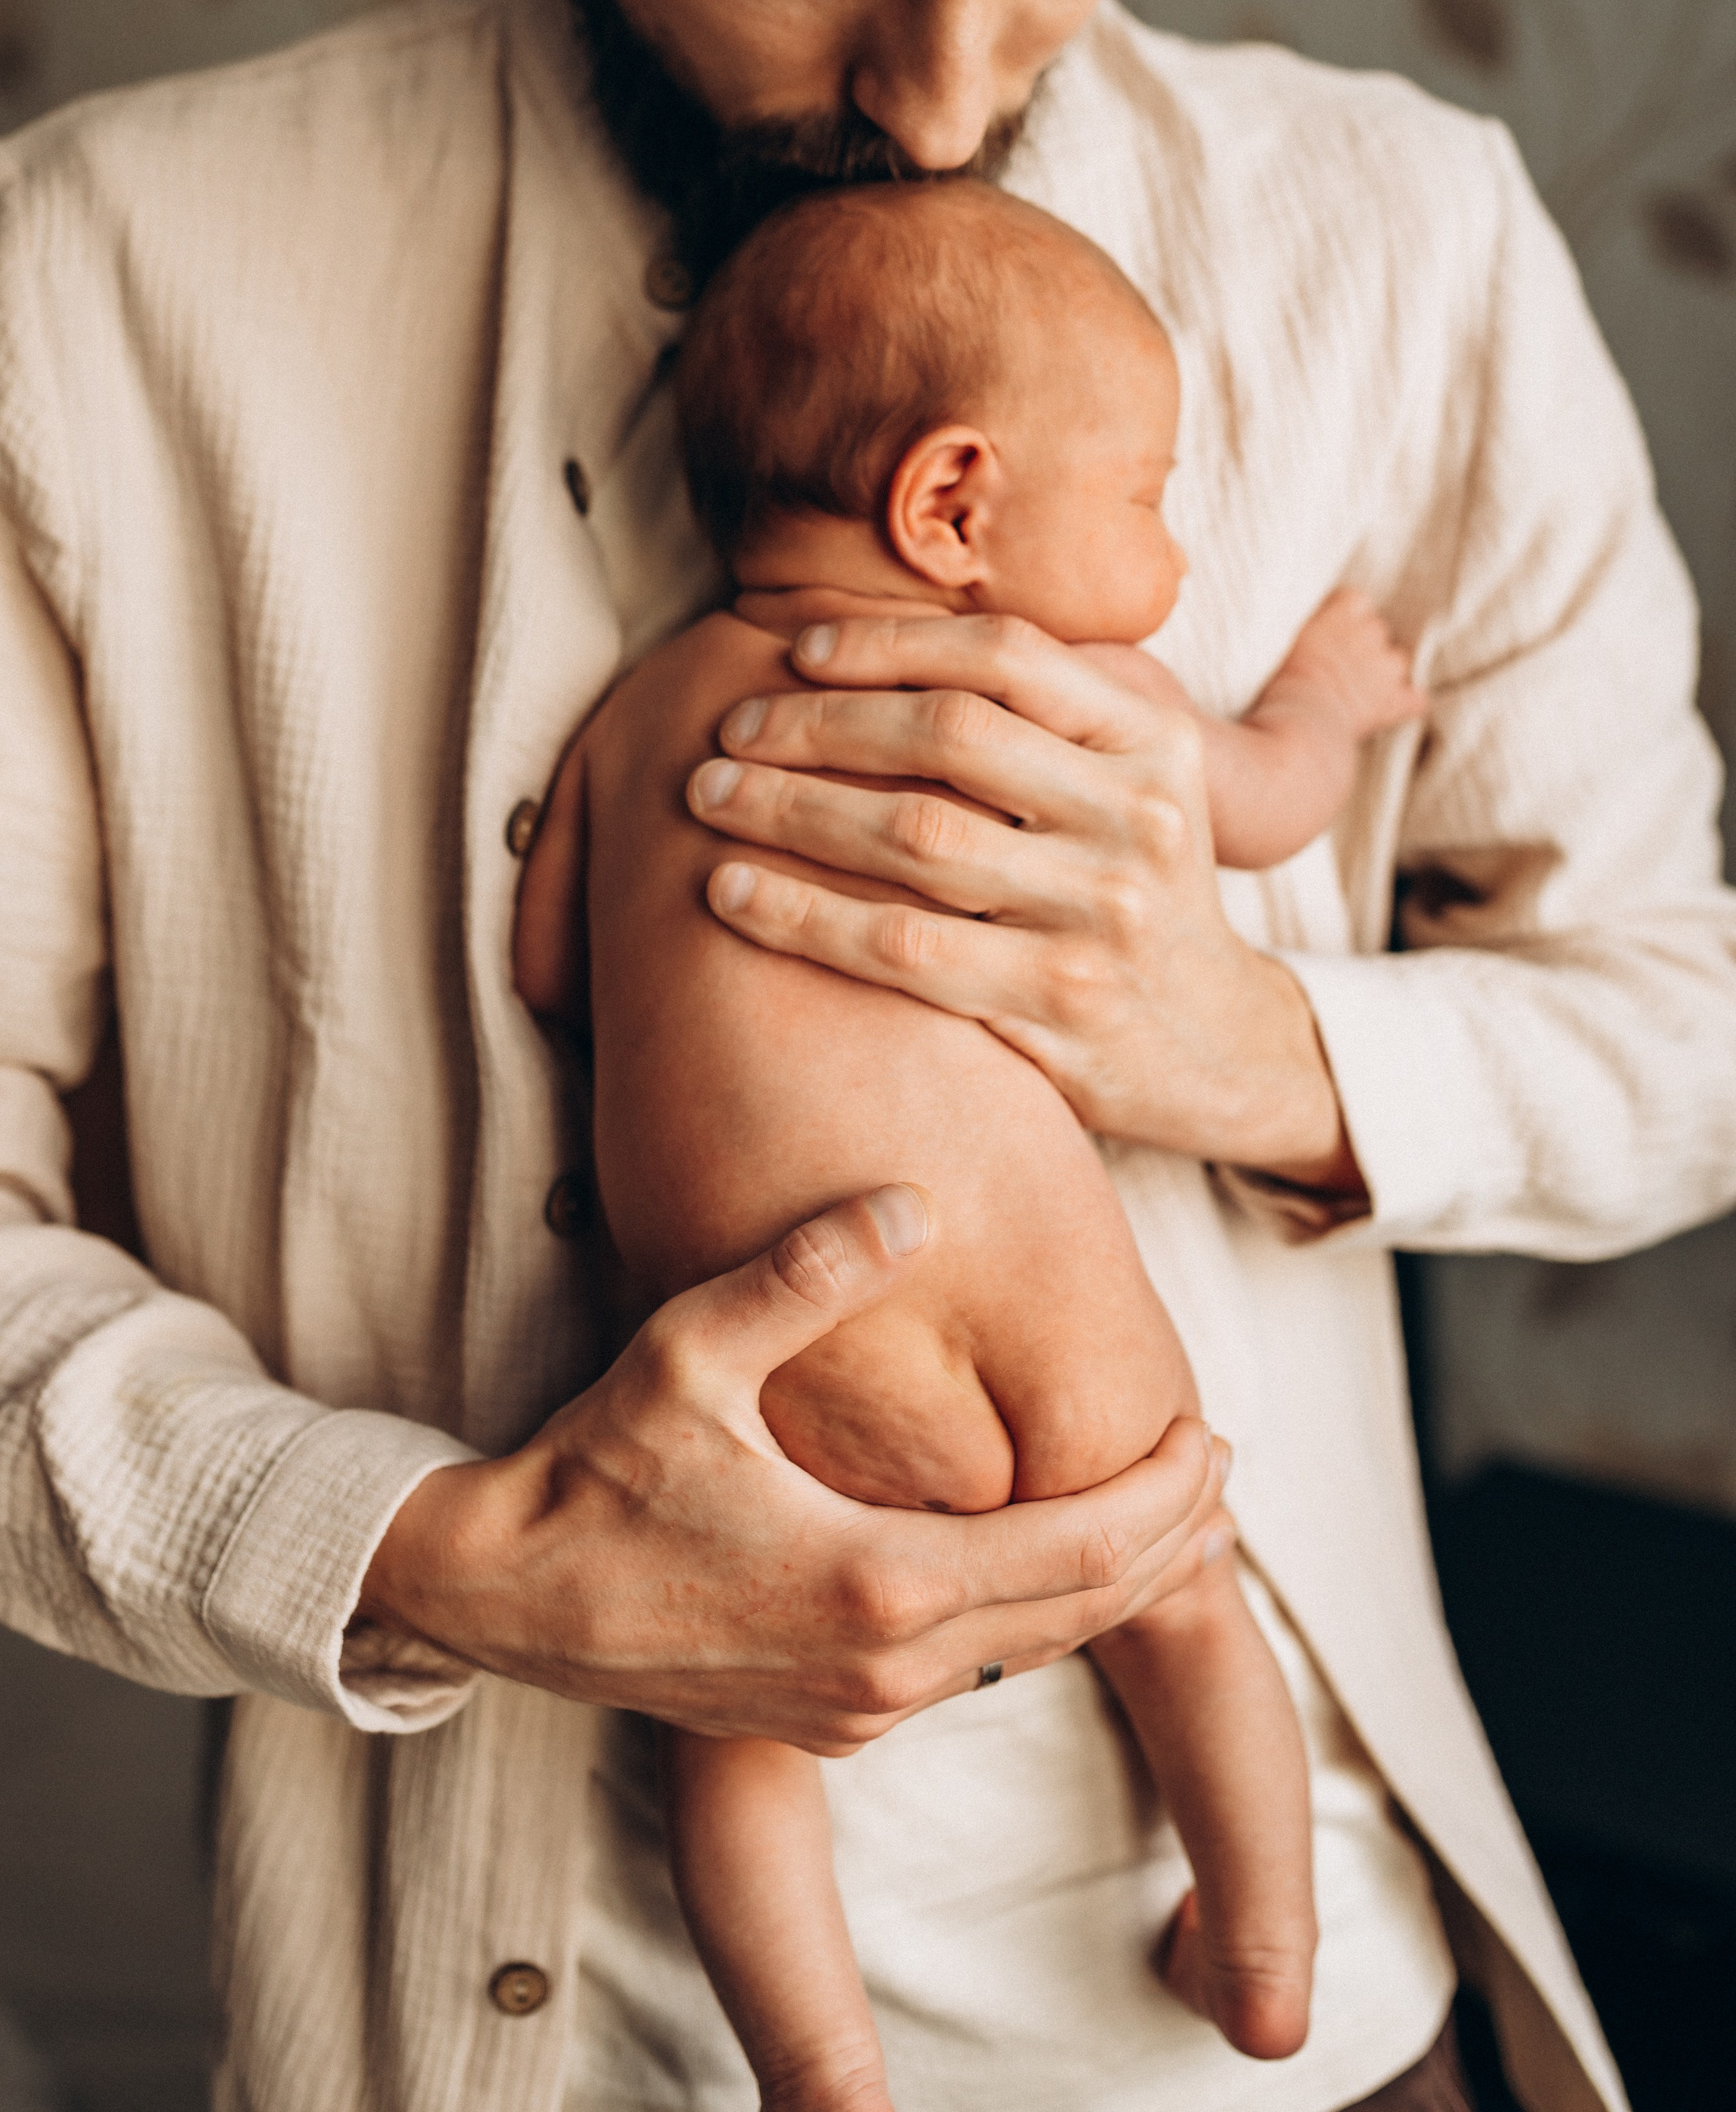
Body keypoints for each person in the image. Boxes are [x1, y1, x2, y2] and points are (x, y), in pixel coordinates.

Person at [0, 0, 1730, 2109]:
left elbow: (1688, 1029)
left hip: (1298, 2053)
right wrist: (471, 1563)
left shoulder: (1406, 248)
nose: (939, 101)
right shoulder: (99, 294)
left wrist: (1236, 1037)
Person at [512, 175, 1432, 2107]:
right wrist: (1329, 713)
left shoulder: (637, 710)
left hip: (766, 1338)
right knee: (1179, 1587)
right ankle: (1262, 1948)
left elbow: (541, 962)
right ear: (952, 507)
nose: (1169, 553)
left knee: (737, 1714)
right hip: (1029, 1278)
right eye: (1145, 498)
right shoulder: (1054, 689)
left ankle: (820, 2067)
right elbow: (1260, 811)